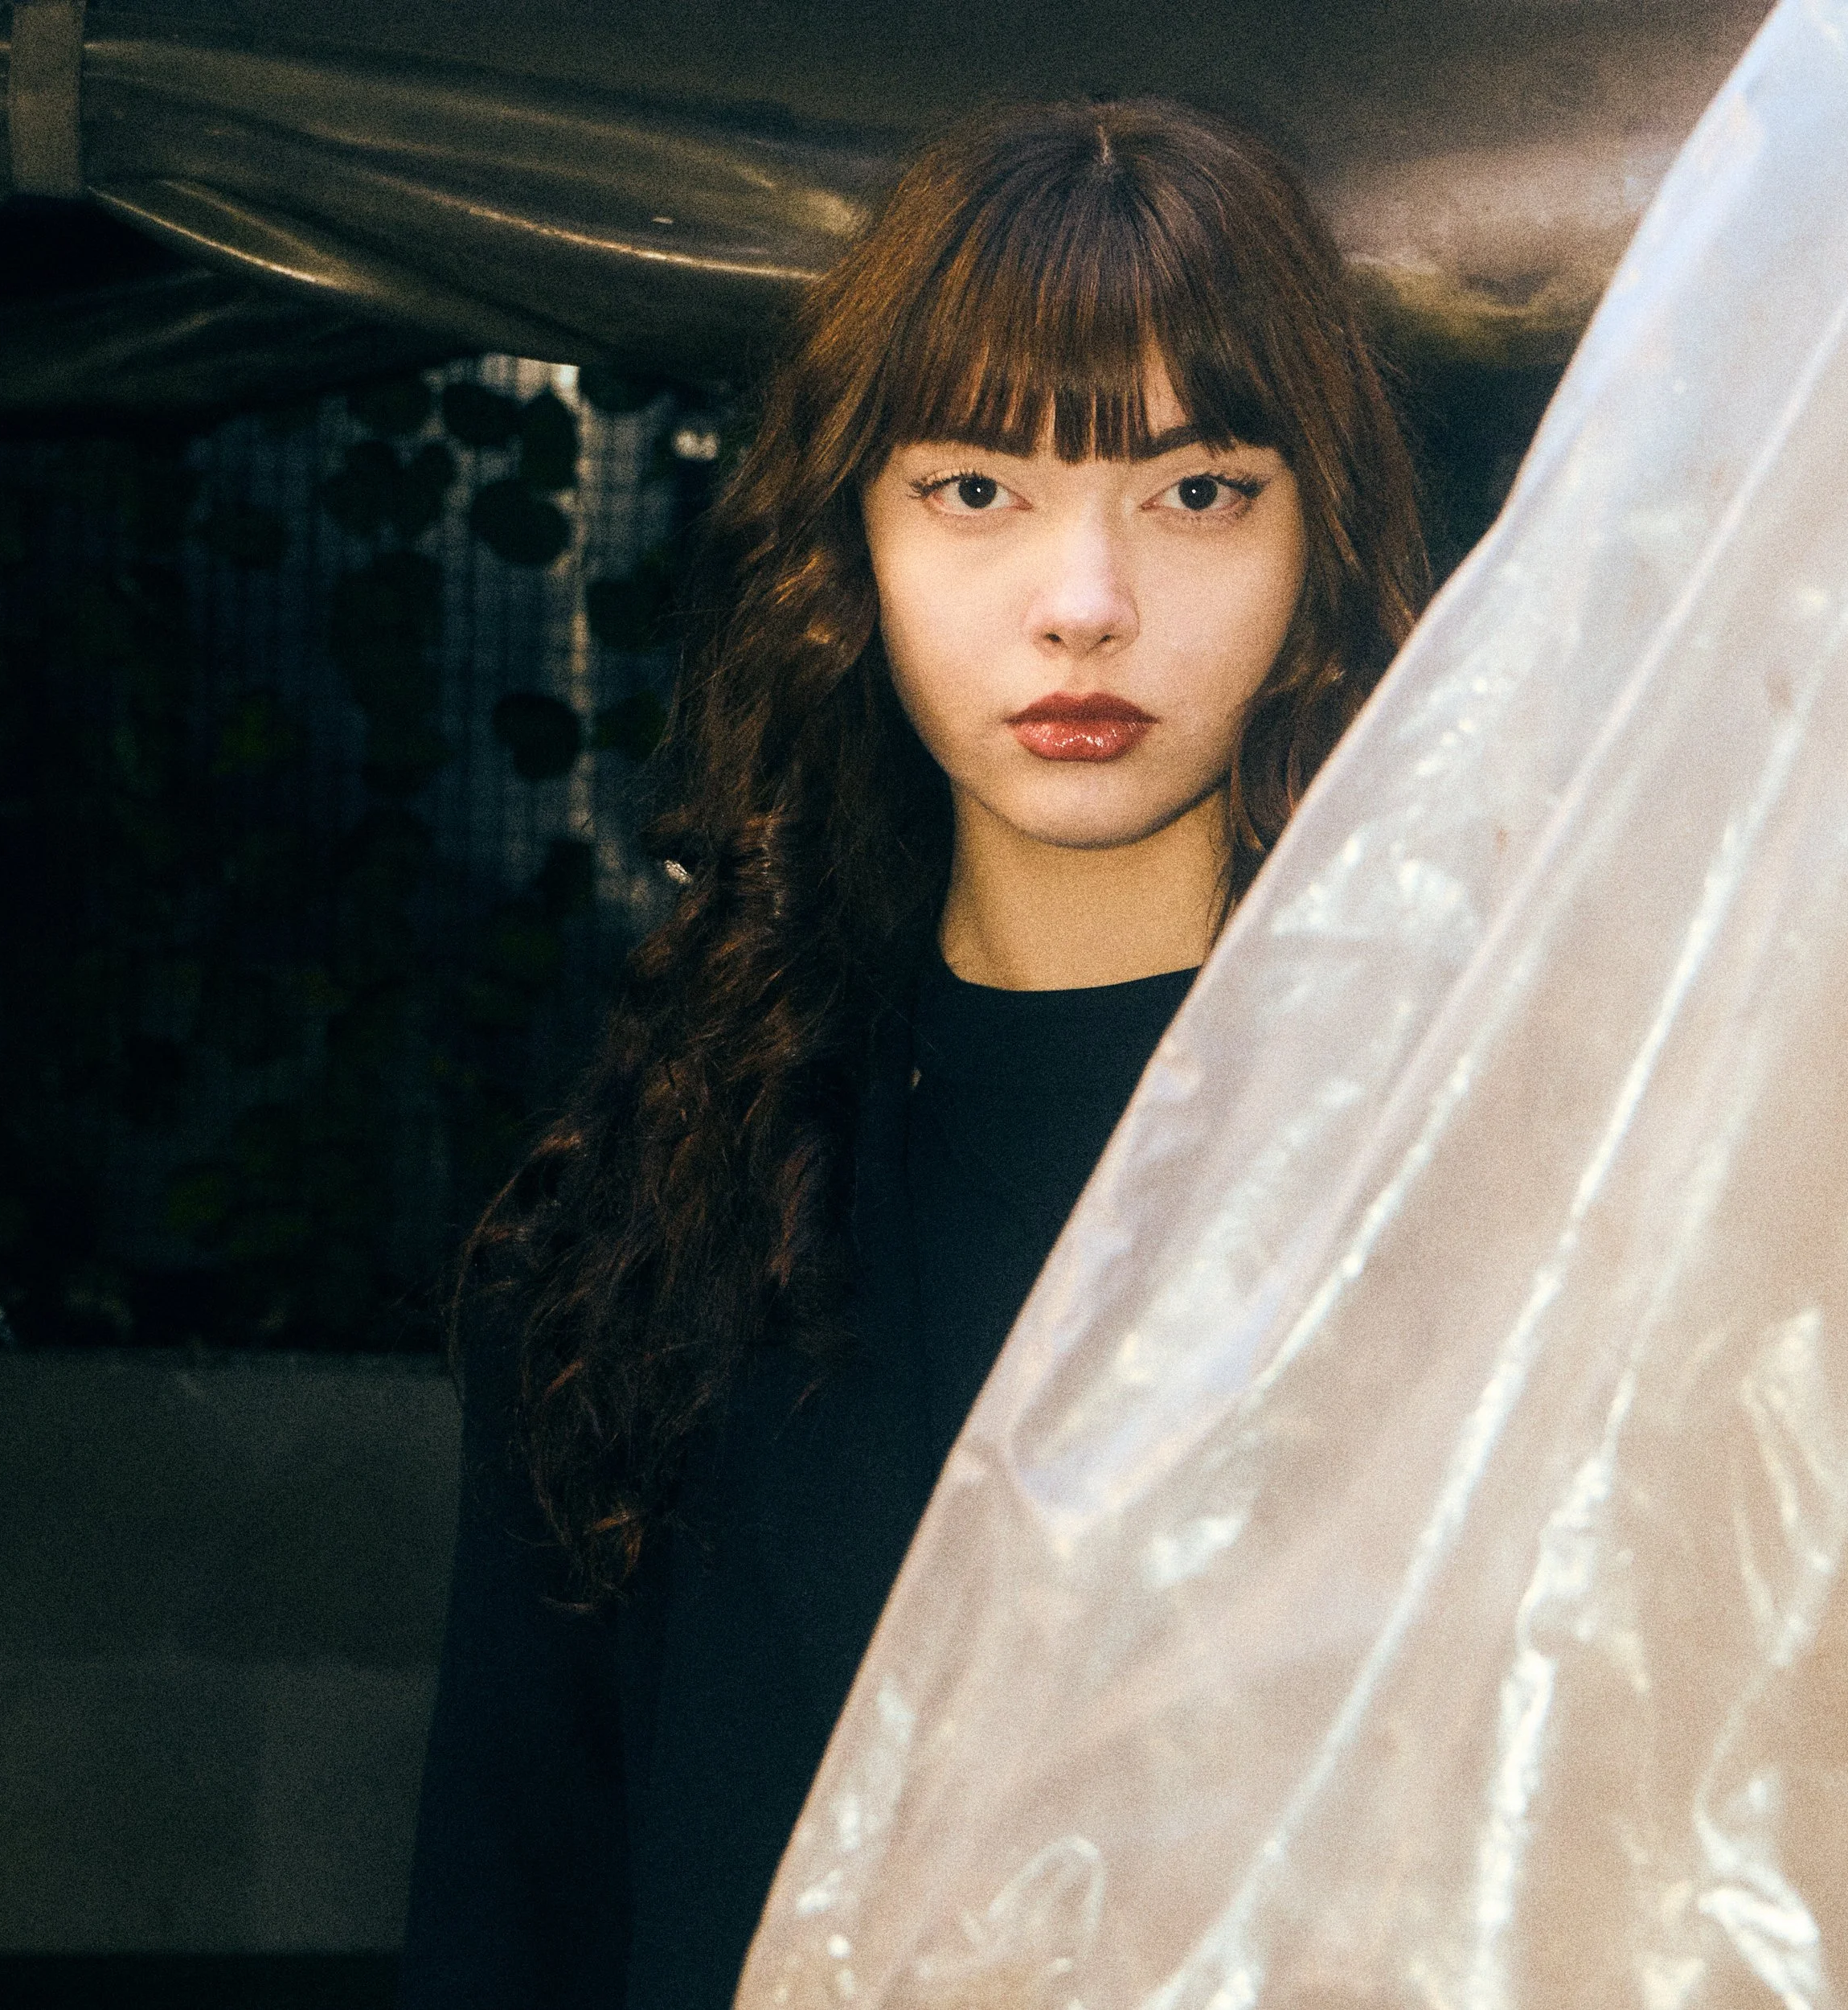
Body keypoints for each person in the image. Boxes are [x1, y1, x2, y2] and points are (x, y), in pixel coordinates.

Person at [397, 95, 1424, 2010]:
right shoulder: (635, 1231)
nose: (1083, 599)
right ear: (848, 544)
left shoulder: (1491, 1174)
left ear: (1322, 541)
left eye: (1196, 490)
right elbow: (511, 1906)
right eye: (975, 489)